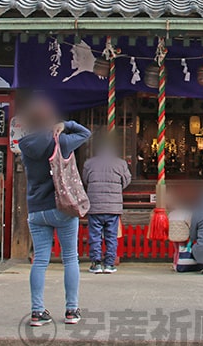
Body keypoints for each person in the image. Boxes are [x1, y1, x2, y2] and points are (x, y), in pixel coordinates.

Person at [18, 94, 91, 327]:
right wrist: (66, 125)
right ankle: (71, 310)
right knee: (70, 258)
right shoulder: (61, 141)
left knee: (40, 260)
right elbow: (85, 133)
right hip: (62, 207)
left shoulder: (25, 145)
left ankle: (37, 312)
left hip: (36, 209)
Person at [81, 132, 131, 274]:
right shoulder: (120, 164)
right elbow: (127, 181)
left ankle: (96, 263)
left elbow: (86, 180)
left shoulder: (89, 164)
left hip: (95, 205)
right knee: (111, 235)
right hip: (113, 206)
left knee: (95, 235)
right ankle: (109, 264)